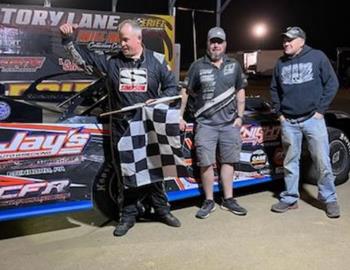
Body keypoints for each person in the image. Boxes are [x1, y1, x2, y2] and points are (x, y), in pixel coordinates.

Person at [59, 20, 181, 236]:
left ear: (138, 38)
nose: (122, 44)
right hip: (122, 129)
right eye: (120, 39)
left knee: (154, 170)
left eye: (125, 39)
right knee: (126, 174)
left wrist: (159, 101)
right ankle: (128, 215)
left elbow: (172, 88)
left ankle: (162, 210)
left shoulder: (157, 60)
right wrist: (69, 41)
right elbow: (84, 61)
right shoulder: (112, 61)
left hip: (148, 127)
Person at [269, 26, 340, 218]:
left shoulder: (317, 57)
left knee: (322, 160)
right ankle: (290, 198)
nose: (286, 43)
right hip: (289, 121)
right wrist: (280, 114)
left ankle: (329, 198)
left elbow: (332, 83)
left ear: (301, 41)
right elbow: (274, 89)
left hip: (312, 120)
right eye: (284, 40)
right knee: (290, 162)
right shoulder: (280, 63)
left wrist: (320, 110)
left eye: (290, 40)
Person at [180, 27, 247, 219]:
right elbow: (186, 91)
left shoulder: (234, 65)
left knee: (228, 161)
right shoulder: (197, 66)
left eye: (219, 41)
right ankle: (209, 200)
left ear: (225, 44)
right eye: (212, 41)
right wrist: (180, 115)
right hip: (206, 125)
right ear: (207, 44)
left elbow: (240, 90)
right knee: (206, 163)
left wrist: (239, 117)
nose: (216, 45)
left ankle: (228, 199)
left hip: (229, 125)